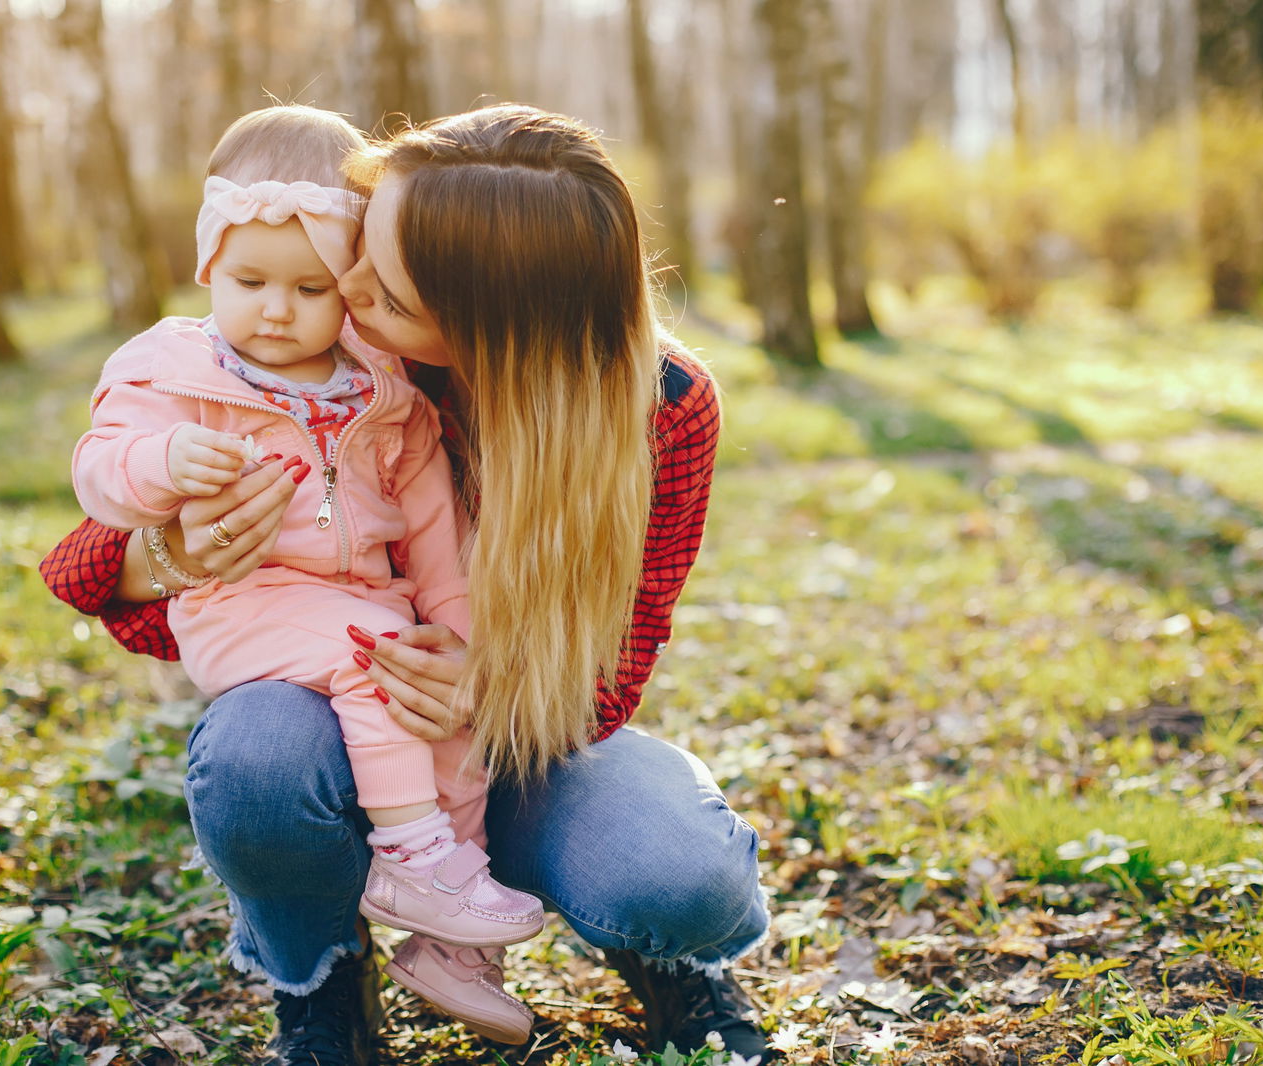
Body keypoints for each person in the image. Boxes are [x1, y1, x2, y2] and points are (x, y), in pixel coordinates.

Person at [41, 104, 769, 1066]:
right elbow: (82, 560)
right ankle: (320, 976)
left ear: (478, 326)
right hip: (340, 719)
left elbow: (622, 661)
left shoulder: (662, 412)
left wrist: (489, 687)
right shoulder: (345, 365)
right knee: (256, 760)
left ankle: (663, 965)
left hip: (520, 741)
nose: (339, 292)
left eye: (380, 287)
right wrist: (175, 554)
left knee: (676, 875)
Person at [69, 103, 543, 1035]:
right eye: (248, 281)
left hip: (367, 599)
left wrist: (461, 637)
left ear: (353, 285)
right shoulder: (176, 369)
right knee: (376, 655)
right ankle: (409, 857)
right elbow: (97, 473)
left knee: (441, 716)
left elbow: (435, 527)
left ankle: (454, 949)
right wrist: (160, 470)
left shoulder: (383, 392)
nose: (276, 310)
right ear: (209, 267)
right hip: (245, 602)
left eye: (311, 287)